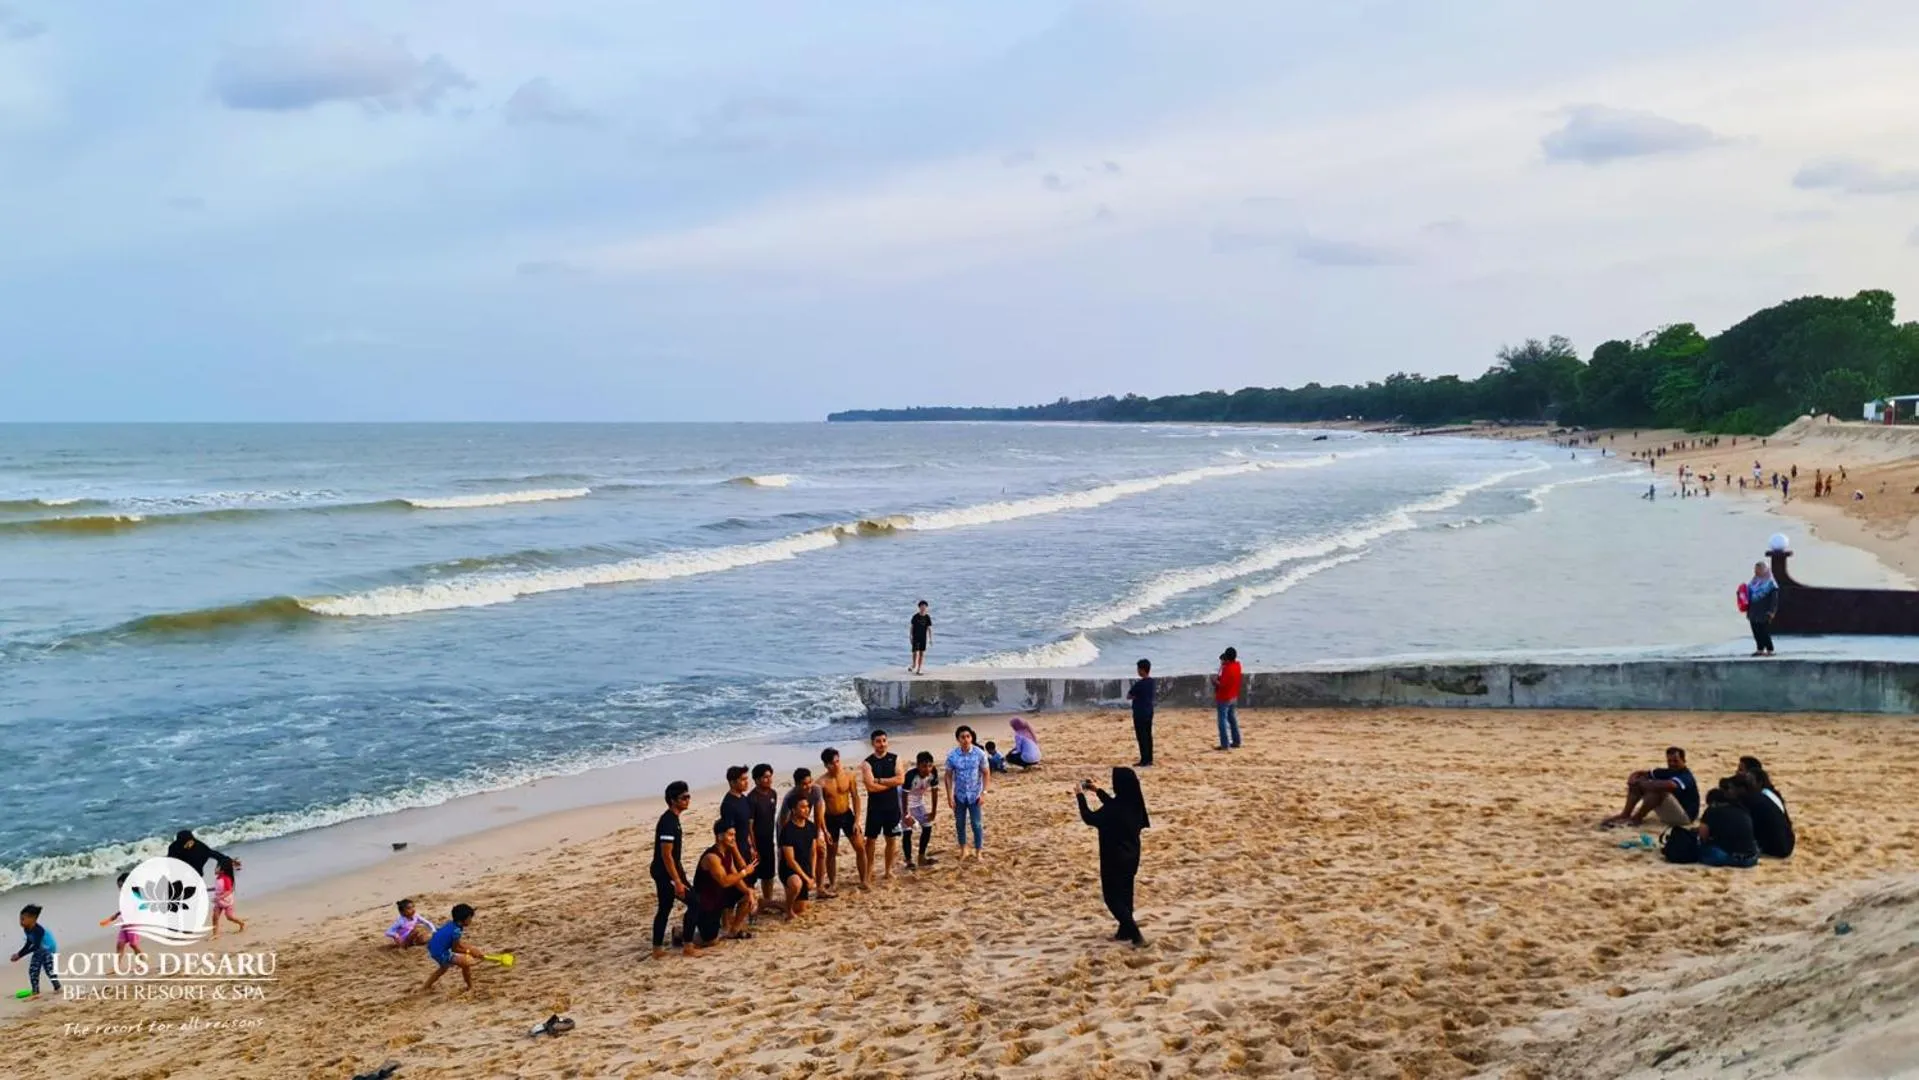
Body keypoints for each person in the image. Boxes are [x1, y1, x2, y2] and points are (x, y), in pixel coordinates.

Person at [1077, 767, 1149, 946]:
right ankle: (1124, 932)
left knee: (1112, 897)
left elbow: (1089, 817)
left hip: (1113, 858)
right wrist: (1097, 791)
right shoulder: (1134, 804)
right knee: (1126, 894)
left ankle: (1135, 933)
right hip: (1132, 855)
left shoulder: (1115, 809)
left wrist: (1080, 796)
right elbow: (1114, 806)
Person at [650, 781, 701, 959]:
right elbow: (666, 855)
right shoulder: (668, 822)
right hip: (665, 873)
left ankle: (658, 948)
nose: (687, 800)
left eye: (688, 796)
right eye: (683, 798)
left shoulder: (674, 820)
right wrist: (677, 881)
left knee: (665, 907)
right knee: (693, 902)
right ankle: (687, 944)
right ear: (673, 800)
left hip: (670, 871)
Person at [692, 820, 759, 944]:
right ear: (720, 836)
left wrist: (748, 892)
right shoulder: (712, 857)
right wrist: (745, 872)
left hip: (720, 895)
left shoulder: (727, 851)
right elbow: (724, 881)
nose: (733, 839)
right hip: (706, 901)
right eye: (730, 835)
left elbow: (734, 875)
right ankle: (681, 932)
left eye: (734, 835)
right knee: (711, 940)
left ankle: (734, 931)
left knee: (749, 893)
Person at [1600, 746, 1698, 828]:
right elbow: (1640, 773)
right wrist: (1632, 779)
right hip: (1670, 813)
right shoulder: (1667, 771)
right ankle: (1625, 814)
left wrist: (1644, 784)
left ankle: (1637, 819)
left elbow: (1670, 785)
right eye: (1669, 761)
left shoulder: (1686, 776)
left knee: (1658, 790)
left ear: (1684, 760)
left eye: (1676, 761)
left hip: (1684, 818)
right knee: (1639, 784)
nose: (1672, 764)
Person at [860, 730, 906, 886]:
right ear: (872, 743)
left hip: (892, 806)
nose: (882, 744)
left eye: (884, 740)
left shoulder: (896, 758)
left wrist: (879, 780)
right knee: (870, 841)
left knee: (891, 839)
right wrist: (889, 784)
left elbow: (900, 779)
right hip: (875, 808)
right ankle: (868, 872)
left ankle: (888, 870)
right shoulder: (867, 763)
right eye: (878, 741)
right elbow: (870, 787)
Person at [781, 767, 831, 899]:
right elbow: (783, 822)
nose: (808, 786)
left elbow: (819, 813)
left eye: (809, 782)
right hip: (788, 827)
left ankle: (819, 887)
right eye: (804, 784)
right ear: (797, 785)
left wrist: (821, 833)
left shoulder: (816, 790)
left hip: (807, 825)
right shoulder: (790, 798)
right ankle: (791, 889)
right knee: (789, 858)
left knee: (820, 850)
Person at [818, 748, 862, 894]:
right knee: (832, 852)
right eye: (832, 763)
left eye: (838, 761)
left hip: (847, 815)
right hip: (830, 818)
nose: (836, 765)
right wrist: (823, 829)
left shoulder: (849, 776)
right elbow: (818, 808)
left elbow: (856, 797)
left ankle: (864, 880)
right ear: (826, 765)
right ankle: (833, 883)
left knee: (860, 847)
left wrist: (857, 820)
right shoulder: (821, 783)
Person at [944, 725, 991, 861]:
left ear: (971, 738)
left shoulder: (979, 754)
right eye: (962, 737)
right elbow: (948, 775)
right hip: (959, 795)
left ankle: (978, 850)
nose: (965, 739)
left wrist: (984, 793)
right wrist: (949, 795)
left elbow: (986, 773)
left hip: (975, 795)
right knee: (960, 823)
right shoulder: (952, 755)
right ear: (958, 739)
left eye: (968, 736)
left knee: (976, 823)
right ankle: (964, 848)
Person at [1735, 763, 1795, 858]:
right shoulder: (1771, 795)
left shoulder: (1757, 798)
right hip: (1787, 842)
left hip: (1775, 848)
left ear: (1759, 783)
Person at [422, 903, 485, 992]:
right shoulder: (456, 931)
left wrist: (472, 949)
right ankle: (470, 987)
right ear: (465, 919)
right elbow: (455, 949)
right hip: (441, 952)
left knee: (443, 968)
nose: (471, 921)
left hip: (434, 948)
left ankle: (425, 987)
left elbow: (458, 944)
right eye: (470, 918)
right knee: (465, 964)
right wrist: (469, 952)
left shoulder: (452, 924)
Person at [778, 797, 821, 919]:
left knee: (801, 908)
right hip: (789, 869)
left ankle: (766, 903)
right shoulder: (787, 830)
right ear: (793, 810)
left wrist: (812, 874)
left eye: (807, 806)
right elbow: (790, 861)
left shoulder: (811, 826)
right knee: (797, 884)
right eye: (802, 807)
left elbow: (813, 852)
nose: (806, 810)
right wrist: (806, 878)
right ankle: (788, 910)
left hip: (804, 866)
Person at [747, 764, 781, 911]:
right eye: (765, 777)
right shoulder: (752, 798)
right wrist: (753, 847)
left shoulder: (773, 794)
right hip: (756, 842)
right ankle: (751, 904)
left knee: (769, 874)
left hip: (768, 840)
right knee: (752, 877)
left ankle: (767, 901)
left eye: (770, 776)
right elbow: (750, 826)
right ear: (756, 780)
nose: (768, 780)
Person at [1696, 788, 1760, 868]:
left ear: (1713, 803)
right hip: (1751, 859)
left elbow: (1703, 836)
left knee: (1701, 850)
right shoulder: (1742, 809)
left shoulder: (1712, 810)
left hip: (1727, 857)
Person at [901, 751, 941, 870]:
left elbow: (934, 792)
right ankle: (908, 861)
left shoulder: (933, 774)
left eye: (929, 765)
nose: (927, 769)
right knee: (907, 831)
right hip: (904, 802)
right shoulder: (910, 776)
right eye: (924, 766)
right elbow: (904, 795)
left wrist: (934, 811)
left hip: (918, 802)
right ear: (918, 765)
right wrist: (906, 814)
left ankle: (921, 857)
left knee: (927, 827)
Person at [10, 904, 60, 998]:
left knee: (45, 970)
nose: (20, 922)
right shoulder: (27, 929)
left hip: (47, 950)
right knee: (37, 970)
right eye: (20, 919)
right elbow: (29, 943)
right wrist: (19, 954)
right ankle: (39, 990)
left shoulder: (38, 930)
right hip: (39, 950)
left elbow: (35, 946)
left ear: (32, 919)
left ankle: (54, 988)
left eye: (23, 919)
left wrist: (20, 955)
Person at [167, 830, 239, 877]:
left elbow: (214, 854)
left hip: (196, 872)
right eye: (187, 843)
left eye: (191, 841)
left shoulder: (199, 846)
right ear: (181, 843)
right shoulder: (173, 848)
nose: (191, 844)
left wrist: (229, 861)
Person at [1127, 658, 1156, 766]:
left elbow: (1129, 696)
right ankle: (1149, 759)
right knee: (1148, 735)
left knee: (1141, 736)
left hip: (1140, 712)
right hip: (1149, 711)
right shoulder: (1151, 682)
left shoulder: (1139, 684)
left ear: (1142, 670)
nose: (1137, 671)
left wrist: (1136, 696)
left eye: (1138, 669)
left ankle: (1144, 760)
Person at [1214, 647, 1244, 750]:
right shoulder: (1237, 666)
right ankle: (1236, 741)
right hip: (1233, 696)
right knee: (1232, 719)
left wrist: (1214, 682)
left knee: (1222, 721)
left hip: (1224, 697)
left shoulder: (1227, 669)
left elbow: (1222, 684)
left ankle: (1225, 744)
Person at [1747, 562, 1779, 657]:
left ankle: (1770, 649)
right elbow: (1748, 594)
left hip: (1764, 611)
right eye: (1755, 569)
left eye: (1759, 569)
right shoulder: (1753, 582)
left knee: (1764, 631)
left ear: (1764, 570)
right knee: (1755, 630)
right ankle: (1760, 649)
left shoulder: (1771, 584)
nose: (1756, 572)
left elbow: (1774, 600)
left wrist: (1772, 611)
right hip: (1753, 610)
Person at [210, 859, 245, 936]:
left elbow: (229, 891)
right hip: (219, 902)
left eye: (217, 868)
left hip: (227, 901)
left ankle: (241, 923)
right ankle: (215, 934)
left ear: (222, 870)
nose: (215, 869)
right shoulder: (218, 878)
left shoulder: (226, 878)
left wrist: (220, 897)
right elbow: (217, 888)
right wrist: (208, 889)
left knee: (229, 917)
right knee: (215, 917)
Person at [909, 600, 933, 676]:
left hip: (923, 637)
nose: (923, 608)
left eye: (924, 607)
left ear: (926, 608)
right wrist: (910, 636)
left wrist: (930, 639)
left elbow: (929, 628)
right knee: (915, 652)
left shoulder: (927, 617)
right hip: (915, 636)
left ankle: (919, 669)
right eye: (922, 607)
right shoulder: (915, 616)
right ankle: (913, 665)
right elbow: (912, 627)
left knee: (921, 653)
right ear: (919, 607)